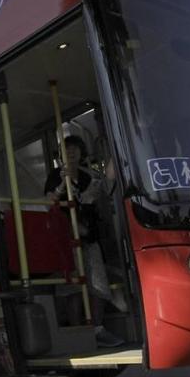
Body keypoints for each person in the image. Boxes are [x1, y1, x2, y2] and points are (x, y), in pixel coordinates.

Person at [45, 134, 126, 348]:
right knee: (72, 286)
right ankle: (78, 331)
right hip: (66, 239)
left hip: (89, 236)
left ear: (81, 153)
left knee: (98, 283)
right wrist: (63, 183)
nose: (71, 153)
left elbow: (105, 188)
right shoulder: (55, 175)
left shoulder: (89, 175)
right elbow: (48, 202)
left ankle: (98, 328)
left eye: (75, 149)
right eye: (66, 149)